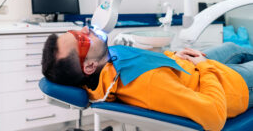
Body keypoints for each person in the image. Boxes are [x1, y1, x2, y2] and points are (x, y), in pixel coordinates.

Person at [41, 26, 253, 131]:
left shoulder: (108, 61)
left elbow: (148, 60)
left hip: (186, 68)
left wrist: (172, 57)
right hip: (231, 87)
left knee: (232, 47)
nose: (86, 29)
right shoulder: (147, 83)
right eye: (81, 39)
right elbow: (214, 117)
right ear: (89, 66)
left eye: (75, 31)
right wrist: (206, 68)